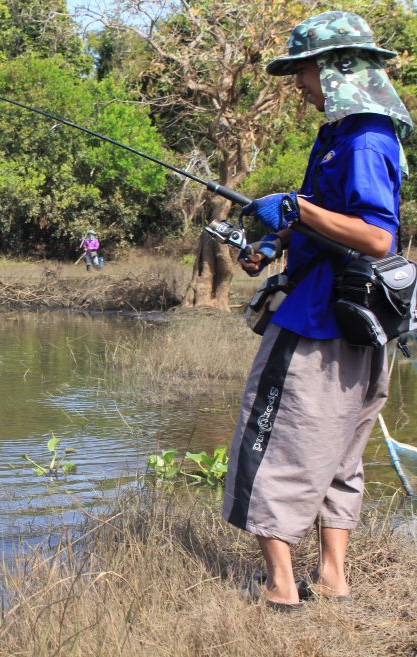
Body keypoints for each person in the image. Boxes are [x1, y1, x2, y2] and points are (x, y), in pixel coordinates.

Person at [223, 10, 413, 611]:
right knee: (338, 454)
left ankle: (281, 589)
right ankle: (332, 578)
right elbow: (334, 225)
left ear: (335, 69)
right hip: (353, 317)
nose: (300, 84)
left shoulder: (363, 138)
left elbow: (376, 237)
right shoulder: (340, 136)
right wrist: (273, 240)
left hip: (322, 323)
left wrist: (298, 211)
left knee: (271, 443)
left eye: (303, 71)